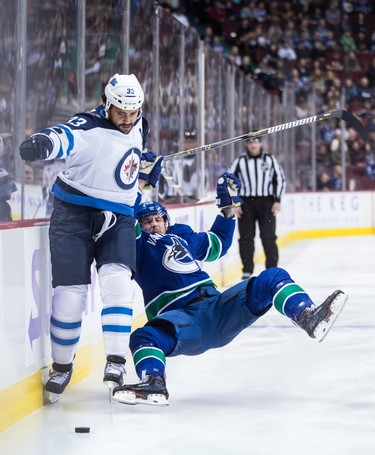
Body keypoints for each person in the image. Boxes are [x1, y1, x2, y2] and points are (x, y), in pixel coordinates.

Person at [112, 173, 347, 406]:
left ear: (166, 221)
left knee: (271, 278)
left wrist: (226, 210)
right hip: (183, 319)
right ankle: (154, 382)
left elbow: (218, 244)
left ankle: (307, 317)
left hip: (217, 307)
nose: (154, 224)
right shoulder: (138, 245)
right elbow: (126, 217)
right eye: (147, 221)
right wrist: (139, 178)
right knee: (144, 337)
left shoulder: (182, 236)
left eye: (158, 219)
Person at [19, 73, 163, 400]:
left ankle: (115, 359)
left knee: (117, 283)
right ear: (106, 104)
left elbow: (124, 168)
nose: (127, 120)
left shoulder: (142, 125)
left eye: (133, 113)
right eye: (121, 113)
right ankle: (62, 365)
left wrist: (144, 176)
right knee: (70, 296)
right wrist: (42, 142)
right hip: (73, 213)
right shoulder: (88, 126)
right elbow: (63, 136)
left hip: (121, 217)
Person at [230, 137, 286, 279]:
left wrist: (277, 199)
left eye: (255, 141)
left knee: (268, 237)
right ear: (246, 144)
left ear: (260, 143)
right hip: (246, 203)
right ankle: (247, 270)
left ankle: (272, 270)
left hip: (266, 202)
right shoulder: (240, 161)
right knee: (246, 238)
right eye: (250, 142)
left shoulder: (269, 159)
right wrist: (236, 203)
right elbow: (230, 182)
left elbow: (279, 179)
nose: (253, 144)